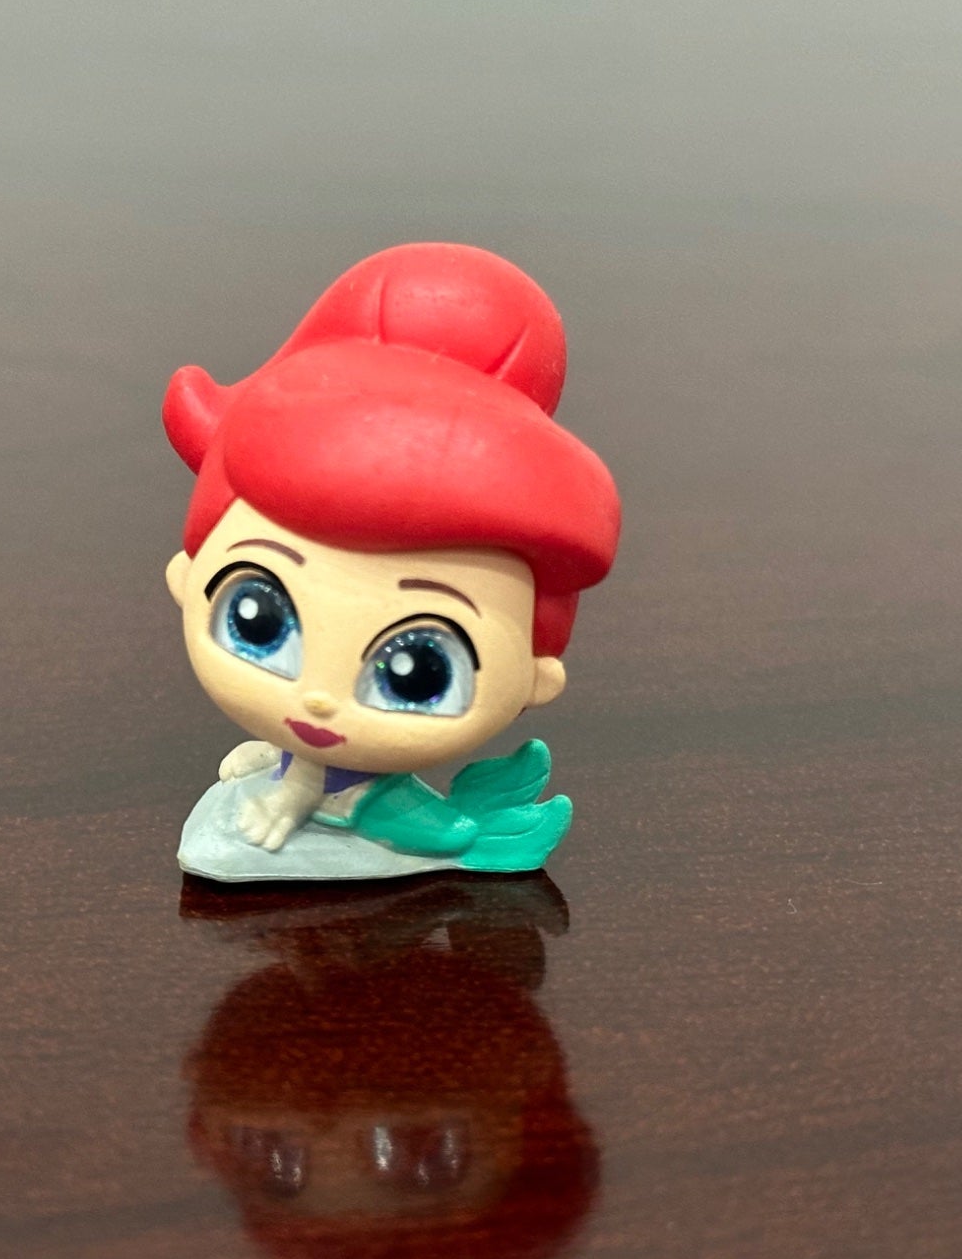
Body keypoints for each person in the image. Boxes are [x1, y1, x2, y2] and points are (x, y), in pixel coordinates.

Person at [163, 243, 620, 880]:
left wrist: (291, 794)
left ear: (534, 679)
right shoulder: (311, 723)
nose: (318, 702)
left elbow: (311, 779)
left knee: (445, 834)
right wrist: (287, 763)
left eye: (418, 672)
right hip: (314, 778)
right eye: (258, 620)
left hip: (370, 799)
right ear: (187, 577)